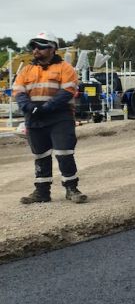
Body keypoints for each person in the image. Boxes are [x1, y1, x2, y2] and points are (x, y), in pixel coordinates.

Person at [13, 32, 88, 204]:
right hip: (34, 119)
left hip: (59, 118)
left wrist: (46, 107)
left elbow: (67, 91)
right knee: (40, 155)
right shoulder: (26, 70)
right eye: (34, 46)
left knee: (64, 153)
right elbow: (19, 91)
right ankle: (42, 192)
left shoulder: (65, 68)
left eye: (40, 46)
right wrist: (29, 107)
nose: (36, 50)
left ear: (53, 48)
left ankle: (71, 189)